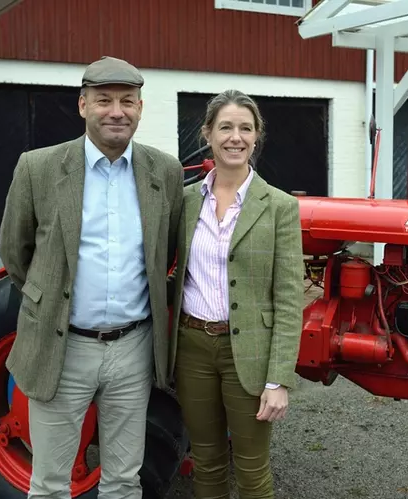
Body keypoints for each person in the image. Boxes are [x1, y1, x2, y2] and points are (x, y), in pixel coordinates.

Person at [0, 56, 184, 499]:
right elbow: (16, 254)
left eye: (127, 101)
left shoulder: (165, 172)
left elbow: (169, 251)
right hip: (63, 348)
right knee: (49, 483)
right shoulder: (38, 168)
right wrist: (54, 304)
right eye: (104, 100)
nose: (116, 111)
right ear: (83, 105)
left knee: (123, 480)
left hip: (134, 349)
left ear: (141, 108)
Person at [169, 89, 304, 498]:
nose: (235, 137)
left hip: (248, 353)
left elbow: (288, 297)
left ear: (257, 136)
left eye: (246, 128)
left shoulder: (279, 206)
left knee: (251, 467)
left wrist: (278, 379)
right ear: (207, 133)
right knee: (206, 461)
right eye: (225, 127)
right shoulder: (186, 199)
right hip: (192, 347)